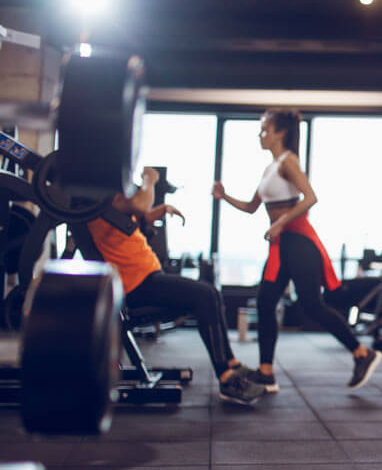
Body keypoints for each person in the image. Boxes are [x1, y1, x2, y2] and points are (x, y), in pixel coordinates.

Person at [212, 109, 382, 391]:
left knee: (311, 305)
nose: (260, 134)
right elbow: (252, 207)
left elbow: (310, 197)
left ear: (280, 132)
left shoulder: (288, 161)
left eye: (265, 129)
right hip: (282, 244)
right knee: (266, 301)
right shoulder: (270, 167)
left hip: (300, 241)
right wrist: (223, 196)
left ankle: (362, 353)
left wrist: (279, 222)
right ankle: (266, 372)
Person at [88, 167, 267, 406]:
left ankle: (231, 364)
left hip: (145, 277)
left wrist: (154, 213)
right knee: (205, 295)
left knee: (210, 293)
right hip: (136, 285)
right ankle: (226, 377)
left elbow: (130, 218)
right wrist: (149, 179)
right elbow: (139, 204)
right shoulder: (98, 196)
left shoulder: (105, 201)